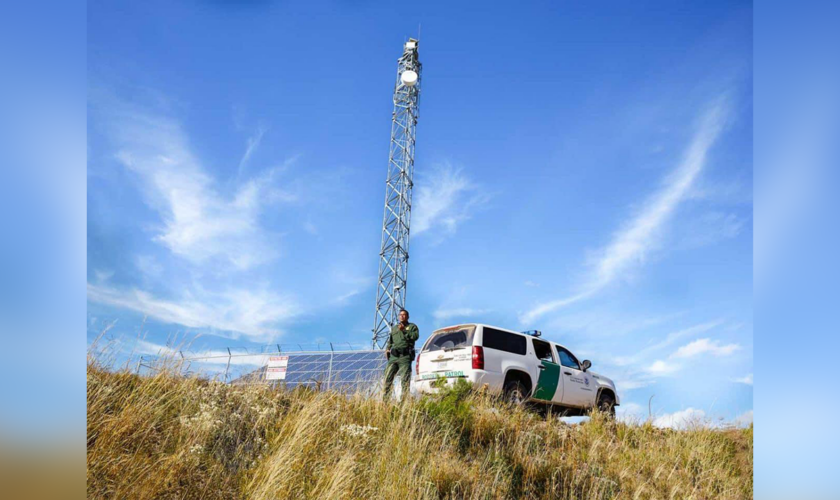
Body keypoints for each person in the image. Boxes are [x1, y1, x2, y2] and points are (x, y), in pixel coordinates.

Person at [382, 308, 419, 400]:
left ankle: (404, 403)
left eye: (404, 315)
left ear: (407, 317)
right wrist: (387, 349)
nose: (402, 316)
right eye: (400, 315)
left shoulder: (412, 327)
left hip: (405, 357)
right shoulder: (394, 328)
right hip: (394, 357)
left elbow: (415, 337)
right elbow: (390, 341)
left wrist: (404, 331)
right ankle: (385, 402)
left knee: (405, 380)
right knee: (387, 378)